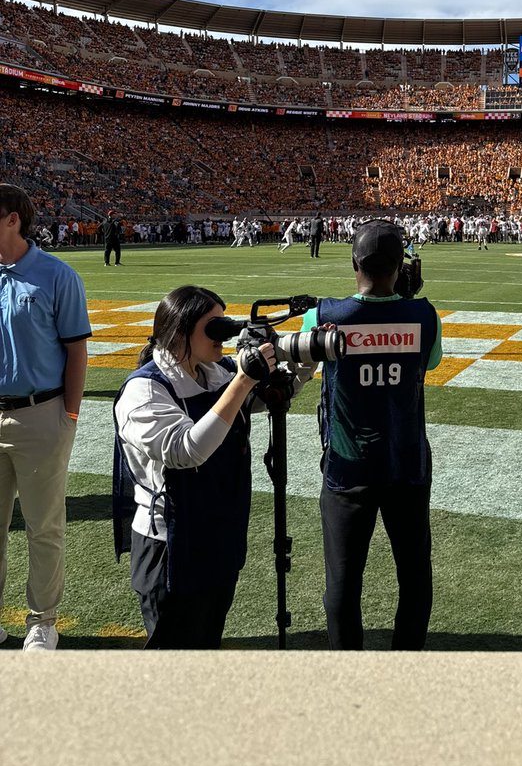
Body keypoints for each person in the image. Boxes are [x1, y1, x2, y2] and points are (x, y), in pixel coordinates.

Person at [112, 285, 300, 648]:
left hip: (217, 532)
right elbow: (187, 450)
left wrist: (301, 363)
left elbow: (267, 399)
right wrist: (244, 379)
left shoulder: (212, 373)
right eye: (213, 327)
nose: (224, 334)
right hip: (172, 545)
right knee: (175, 652)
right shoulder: (146, 390)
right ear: (180, 331)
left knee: (208, 639)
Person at [304, 219, 442, 649]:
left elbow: (303, 365)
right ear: (401, 265)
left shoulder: (323, 315)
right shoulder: (424, 315)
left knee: (342, 582)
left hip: (348, 465)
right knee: (415, 575)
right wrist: (407, 300)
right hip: (406, 463)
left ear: (353, 263)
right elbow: (431, 361)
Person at [0, 184, 91, 650]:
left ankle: (43, 620)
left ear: (13, 219)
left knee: (43, 525)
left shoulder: (57, 275)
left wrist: (69, 415)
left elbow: (77, 349)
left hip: (40, 413)